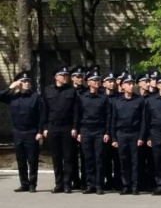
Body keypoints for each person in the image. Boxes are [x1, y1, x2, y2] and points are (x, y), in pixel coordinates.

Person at [1, 71, 44, 193]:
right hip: (18, 132)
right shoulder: (12, 97)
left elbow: (41, 115)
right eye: (23, 81)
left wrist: (40, 131)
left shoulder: (35, 97)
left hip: (31, 131)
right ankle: (24, 183)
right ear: (18, 83)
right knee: (20, 160)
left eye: (28, 81)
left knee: (32, 159)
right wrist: (10, 87)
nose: (26, 83)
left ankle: (32, 184)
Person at [41, 65, 77, 193]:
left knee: (68, 157)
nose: (65, 77)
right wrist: (44, 127)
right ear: (56, 77)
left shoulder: (72, 91)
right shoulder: (48, 91)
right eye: (63, 75)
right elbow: (44, 111)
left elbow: (75, 111)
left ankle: (67, 184)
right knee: (56, 157)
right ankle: (58, 183)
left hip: (67, 127)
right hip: (52, 126)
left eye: (67, 75)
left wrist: (74, 127)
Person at [75, 71, 111, 194]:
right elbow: (78, 115)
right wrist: (78, 131)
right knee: (88, 159)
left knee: (99, 158)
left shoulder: (104, 97)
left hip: (99, 130)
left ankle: (99, 185)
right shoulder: (82, 97)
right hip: (85, 130)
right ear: (88, 82)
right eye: (94, 80)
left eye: (98, 80)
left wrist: (107, 132)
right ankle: (90, 185)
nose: (97, 82)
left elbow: (108, 116)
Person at [110, 73, 145, 195]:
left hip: (134, 133)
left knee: (135, 161)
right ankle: (126, 185)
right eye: (128, 84)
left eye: (132, 84)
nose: (131, 86)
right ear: (123, 86)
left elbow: (143, 121)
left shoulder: (139, 100)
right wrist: (114, 138)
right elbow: (113, 120)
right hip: (121, 134)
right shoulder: (116, 101)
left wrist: (141, 137)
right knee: (123, 161)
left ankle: (135, 186)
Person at [102, 73, 122, 191]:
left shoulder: (119, 97)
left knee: (118, 159)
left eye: (113, 81)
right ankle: (108, 181)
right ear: (104, 83)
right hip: (103, 131)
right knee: (105, 159)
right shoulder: (100, 96)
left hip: (116, 132)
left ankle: (118, 182)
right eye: (109, 81)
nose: (112, 83)